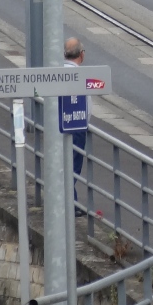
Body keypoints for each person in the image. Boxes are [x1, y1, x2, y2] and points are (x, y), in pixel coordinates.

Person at [64, 37, 88, 212]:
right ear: (82, 55)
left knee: (63, 163)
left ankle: (69, 199)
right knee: (73, 165)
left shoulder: (57, 72)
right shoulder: (80, 76)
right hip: (77, 125)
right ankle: (70, 201)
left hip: (59, 123)